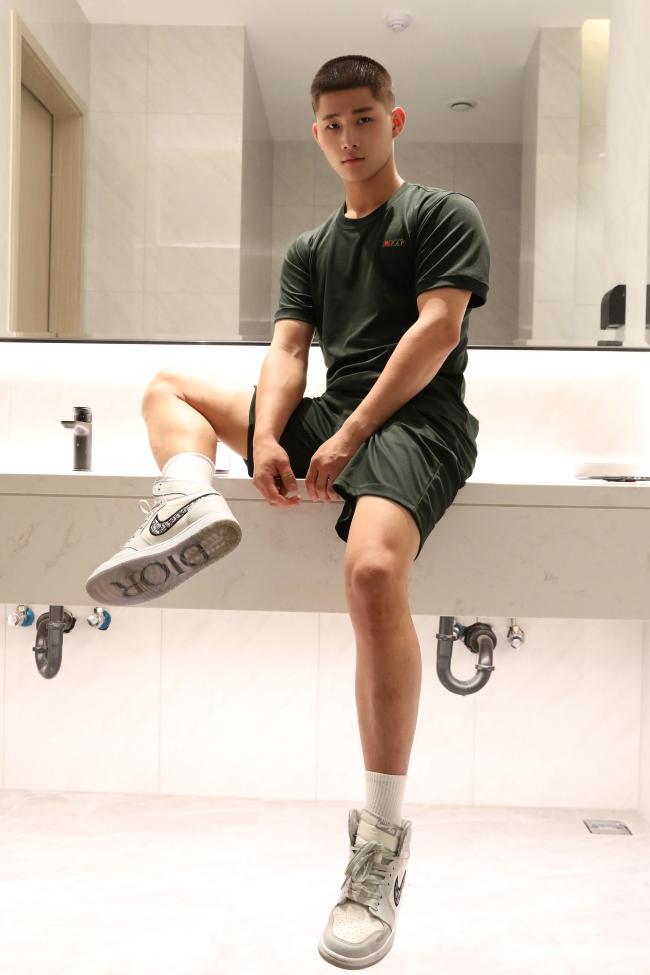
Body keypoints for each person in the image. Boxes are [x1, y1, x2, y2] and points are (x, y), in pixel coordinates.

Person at [86, 54, 489, 969]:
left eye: (363, 118)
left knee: (374, 571)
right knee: (169, 386)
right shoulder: (310, 248)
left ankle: (379, 845)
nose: (347, 138)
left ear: (394, 120)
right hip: (331, 417)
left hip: (417, 424)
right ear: (316, 134)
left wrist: (347, 435)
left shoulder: (439, 213)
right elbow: (288, 350)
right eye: (331, 125)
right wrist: (269, 435)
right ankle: (187, 501)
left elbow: (437, 329)